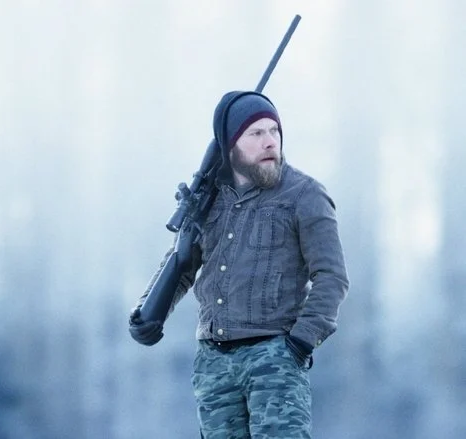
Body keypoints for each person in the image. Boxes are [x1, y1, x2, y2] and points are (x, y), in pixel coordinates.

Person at [129, 90, 349, 438]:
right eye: (256, 133)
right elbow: (181, 266)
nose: (270, 141)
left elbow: (332, 278)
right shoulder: (208, 201)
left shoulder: (305, 195)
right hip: (214, 364)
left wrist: (299, 343)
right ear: (230, 145)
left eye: (274, 131)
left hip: (275, 360)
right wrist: (147, 311)